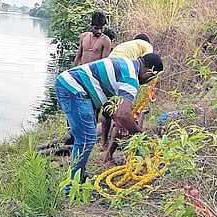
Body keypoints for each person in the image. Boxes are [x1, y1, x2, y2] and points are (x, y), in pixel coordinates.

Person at [54, 53, 163, 194]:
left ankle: (79, 176)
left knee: (86, 137)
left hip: (70, 84)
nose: (149, 81)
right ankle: (71, 186)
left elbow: (115, 108)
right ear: (148, 71)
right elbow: (124, 114)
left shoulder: (126, 64)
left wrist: (119, 122)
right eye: (151, 77)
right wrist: (138, 134)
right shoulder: (131, 79)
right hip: (73, 88)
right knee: (86, 139)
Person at [100, 33, 155, 162]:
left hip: (109, 72)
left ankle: (104, 143)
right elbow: (148, 70)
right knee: (122, 119)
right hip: (123, 73)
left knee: (108, 111)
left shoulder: (126, 46)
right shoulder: (147, 48)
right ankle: (109, 155)